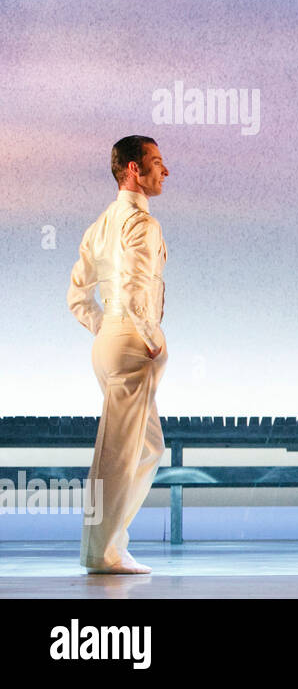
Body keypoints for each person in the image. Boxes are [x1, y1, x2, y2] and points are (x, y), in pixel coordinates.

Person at [67, 135, 170, 574]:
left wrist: (104, 329)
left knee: (146, 448)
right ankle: (102, 552)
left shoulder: (102, 224)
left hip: (112, 339)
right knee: (117, 454)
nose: (164, 171)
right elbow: (132, 286)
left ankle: (109, 543)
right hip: (129, 342)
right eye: (156, 162)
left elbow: (77, 294)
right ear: (133, 169)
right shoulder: (139, 224)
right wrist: (147, 337)